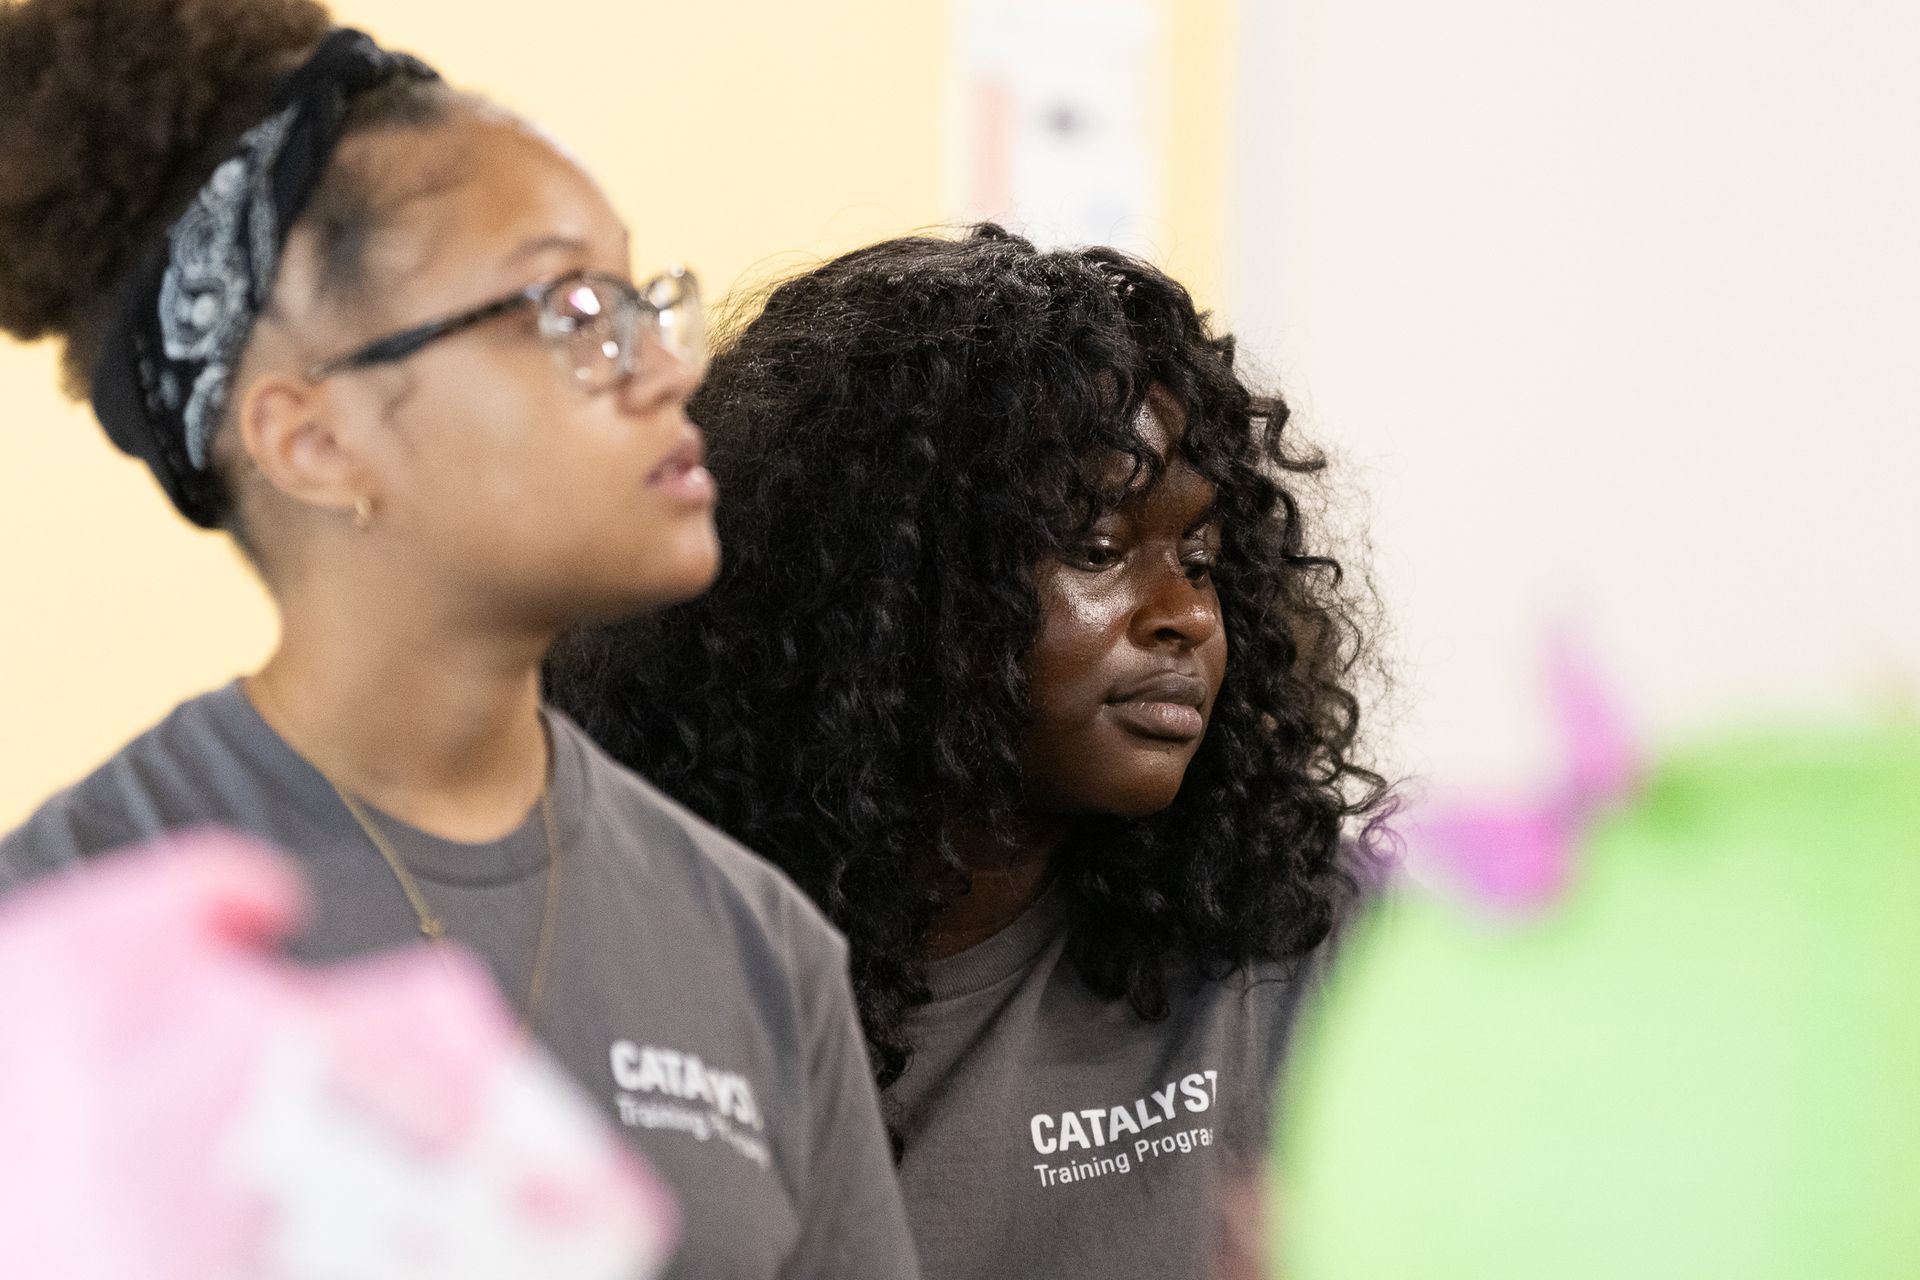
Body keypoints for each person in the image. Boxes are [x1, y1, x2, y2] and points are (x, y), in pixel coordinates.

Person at [0, 3, 918, 1276]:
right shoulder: (61, 928)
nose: (663, 365)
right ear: (312, 438)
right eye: (568, 305)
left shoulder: (758, 946)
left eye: (645, 299)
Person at [547, 224, 1391, 1280]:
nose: (1185, 615)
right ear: (884, 595)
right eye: (1097, 549)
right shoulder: (631, 965)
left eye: (1203, 559)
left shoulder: (1307, 952)